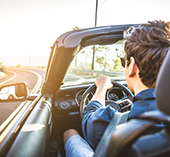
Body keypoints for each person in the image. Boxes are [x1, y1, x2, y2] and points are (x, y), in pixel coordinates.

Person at [63, 20, 170, 157]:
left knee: (70, 133)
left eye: (123, 62)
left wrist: (102, 87)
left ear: (132, 66)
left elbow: (88, 117)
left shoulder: (111, 123)